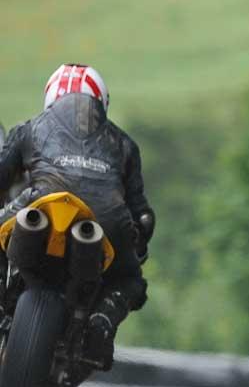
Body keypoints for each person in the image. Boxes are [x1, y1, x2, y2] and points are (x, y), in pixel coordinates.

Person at [0, 64, 155, 370]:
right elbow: (144, 216)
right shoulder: (124, 144)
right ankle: (101, 320)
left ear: (51, 98)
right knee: (131, 280)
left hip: (39, 204)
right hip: (105, 219)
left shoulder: (30, 127)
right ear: (101, 101)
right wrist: (137, 244)